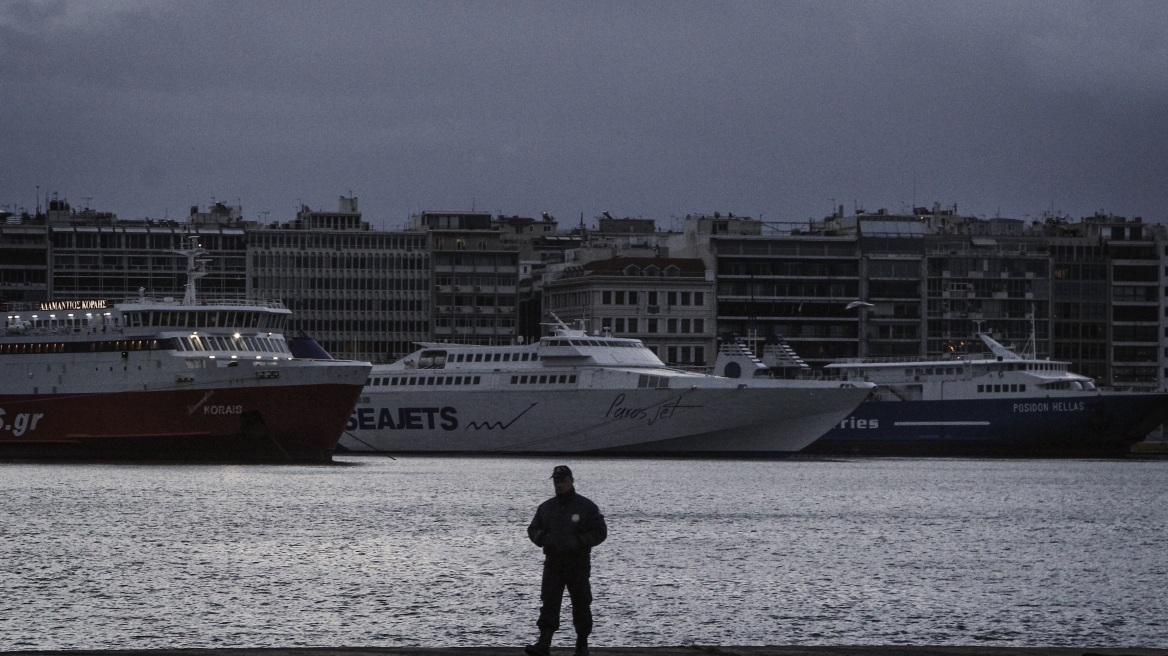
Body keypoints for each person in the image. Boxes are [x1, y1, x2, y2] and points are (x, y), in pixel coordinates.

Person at [525, 465, 607, 656]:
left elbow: (600, 532)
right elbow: (533, 529)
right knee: (549, 602)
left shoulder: (586, 507)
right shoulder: (546, 508)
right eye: (556, 481)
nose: (559, 485)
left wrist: (578, 541)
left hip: (577, 563)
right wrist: (542, 538)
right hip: (553, 563)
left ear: (571, 481)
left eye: (562, 481)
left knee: (581, 603)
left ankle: (582, 646)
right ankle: (544, 644)